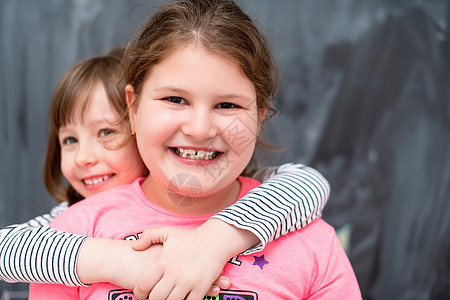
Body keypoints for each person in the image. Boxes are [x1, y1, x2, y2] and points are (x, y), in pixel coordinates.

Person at [28, 0, 361, 299]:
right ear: (133, 107)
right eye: (175, 99)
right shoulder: (72, 235)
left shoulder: (312, 242)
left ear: (258, 119)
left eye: (228, 105)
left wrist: (216, 239)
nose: (200, 129)